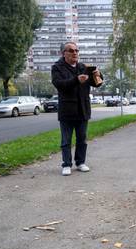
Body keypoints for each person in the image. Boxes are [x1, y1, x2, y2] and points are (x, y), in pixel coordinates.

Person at [51, 41, 103, 176]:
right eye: (71, 50)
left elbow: (97, 84)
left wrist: (98, 74)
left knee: (82, 139)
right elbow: (59, 84)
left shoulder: (83, 67)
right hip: (67, 110)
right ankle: (66, 164)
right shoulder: (57, 67)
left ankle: (80, 162)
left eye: (76, 50)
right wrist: (76, 80)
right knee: (66, 140)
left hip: (83, 108)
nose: (75, 53)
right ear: (64, 53)